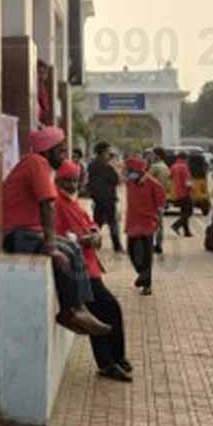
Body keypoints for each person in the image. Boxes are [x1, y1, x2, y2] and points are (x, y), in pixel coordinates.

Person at [1, 126, 110, 336]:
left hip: (26, 232)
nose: (64, 155)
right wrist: (50, 246)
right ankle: (71, 311)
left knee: (72, 247)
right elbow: (47, 204)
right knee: (65, 252)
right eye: (60, 151)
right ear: (47, 151)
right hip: (14, 234)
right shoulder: (37, 162)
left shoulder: (37, 164)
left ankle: (77, 308)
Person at [54, 160, 133, 382]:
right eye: (66, 180)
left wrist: (95, 233)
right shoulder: (56, 203)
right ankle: (108, 362)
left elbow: (91, 223)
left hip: (90, 266)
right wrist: (82, 239)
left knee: (107, 311)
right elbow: (58, 236)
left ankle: (116, 358)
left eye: (74, 180)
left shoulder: (73, 202)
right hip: (80, 270)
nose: (71, 184)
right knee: (104, 311)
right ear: (57, 180)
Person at [124, 156, 166, 296]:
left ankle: (147, 284)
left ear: (140, 171)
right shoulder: (130, 182)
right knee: (131, 251)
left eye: (130, 170)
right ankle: (142, 273)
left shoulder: (153, 184)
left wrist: (159, 221)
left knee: (147, 254)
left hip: (148, 222)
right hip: (132, 222)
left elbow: (160, 205)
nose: (128, 173)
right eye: (128, 170)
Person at [87, 141, 124, 253]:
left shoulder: (92, 165)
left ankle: (94, 245)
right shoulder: (107, 166)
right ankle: (117, 246)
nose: (109, 154)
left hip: (97, 199)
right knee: (113, 223)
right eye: (108, 152)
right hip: (108, 199)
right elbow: (117, 180)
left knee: (96, 224)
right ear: (103, 152)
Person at [147, 147, 171, 254]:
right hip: (162, 198)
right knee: (160, 224)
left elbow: (145, 181)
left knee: (150, 223)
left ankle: (150, 244)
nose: (150, 157)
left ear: (158, 156)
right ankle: (159, 245)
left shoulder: (155, 167)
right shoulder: (165, 167)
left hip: (152, 199)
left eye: (152, 154)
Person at [170, 151, 194, 238]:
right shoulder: (184, 166)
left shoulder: (173, 166)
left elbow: (171, 176)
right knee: (189, 212)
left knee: (184, 212)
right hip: (185, 193)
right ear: (185, 158)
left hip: (177, 192)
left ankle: (187, 232)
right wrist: (191, 189)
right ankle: (176, 225)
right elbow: (188, 180)